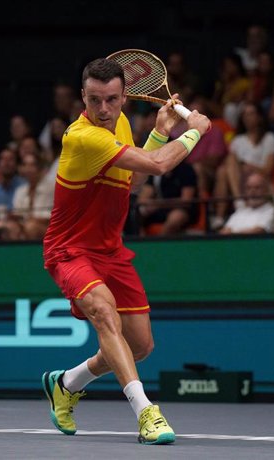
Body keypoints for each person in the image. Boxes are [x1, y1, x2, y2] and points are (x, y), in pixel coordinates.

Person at [41, 58, 211, 445]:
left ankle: (66, 383)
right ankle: (147, 413)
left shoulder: (116, 124)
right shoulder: (83, 136)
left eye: (112, 100)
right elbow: (157, 166)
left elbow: (130, 180)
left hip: (111, 250)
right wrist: (193, 133)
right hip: (70, 250)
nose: (104, 109)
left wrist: (159, 133)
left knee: (140, 346)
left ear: (123, 98)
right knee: (103, 313)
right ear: (82, 96)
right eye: (96, 100)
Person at [212, 102, 274, 227]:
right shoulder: (238, 140)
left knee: (225, 169)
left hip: (262, 179)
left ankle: (225, 212)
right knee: (224, 168)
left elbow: (268, 170)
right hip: (241, 181)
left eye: (251, 113)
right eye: (245, 115)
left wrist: (248, 166)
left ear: (259, 117)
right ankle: (230, 208)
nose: (248, 117)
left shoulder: (269, 138)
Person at [0, 151, 53, 240]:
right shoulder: (20, 190)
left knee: (31, 227)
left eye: (32, 165)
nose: (28, 169)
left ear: (40, 168)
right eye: (25, 165)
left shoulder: (51, 188)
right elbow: (17, 213)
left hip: (48, 227)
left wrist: (26, 219)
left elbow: (48, 217)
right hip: (24, 224)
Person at [136, 161, 198, 236]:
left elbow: (186, 200)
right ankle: (142, 243)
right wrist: (148, 206)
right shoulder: (156, 171)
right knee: (137, 213)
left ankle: (159, 244)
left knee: (175, 217)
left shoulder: (186, 170)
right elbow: (142, 199)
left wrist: (159, 204)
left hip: (182, 209)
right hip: (160, 209)